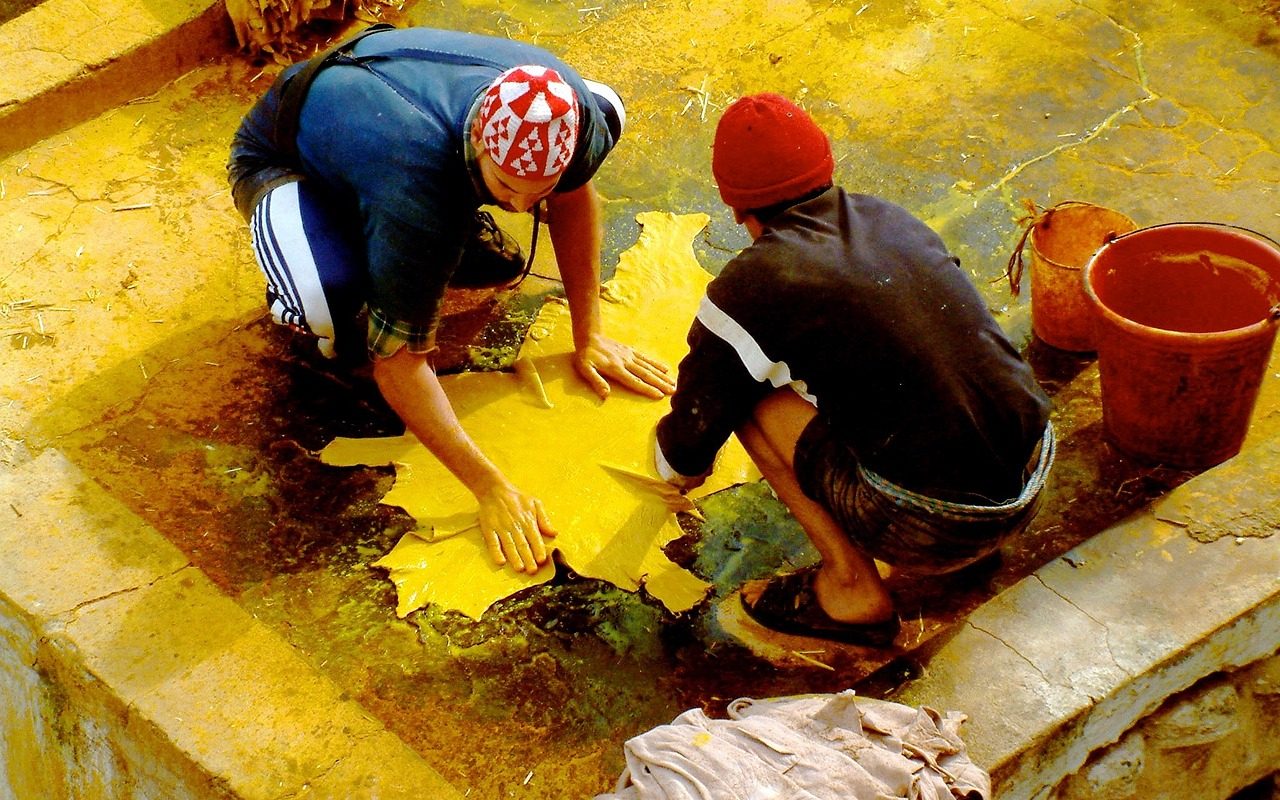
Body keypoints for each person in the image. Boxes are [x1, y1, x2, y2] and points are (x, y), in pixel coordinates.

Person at [227, 26, 675, 576]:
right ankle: (333, 253)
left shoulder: (573, 111)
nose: (522, 205)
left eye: (538, 193)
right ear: (479, 145)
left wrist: (591, 335)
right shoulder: (417, 180)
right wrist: (490, 488)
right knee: (331, 305)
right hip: (287, 153)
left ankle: (414, 232)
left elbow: (574, 194)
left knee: (471, 234)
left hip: (391, 117)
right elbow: (397, 364)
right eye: (506, 187)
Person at [653, 93, 1054, 647]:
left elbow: (688, 447)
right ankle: (970, 550)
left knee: (747, 395)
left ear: (734, 206)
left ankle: (850, 587)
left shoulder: (752, 286)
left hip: (938, 527)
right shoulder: (893, 220)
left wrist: (672, 470)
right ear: (827, 167)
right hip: (1031, 476)